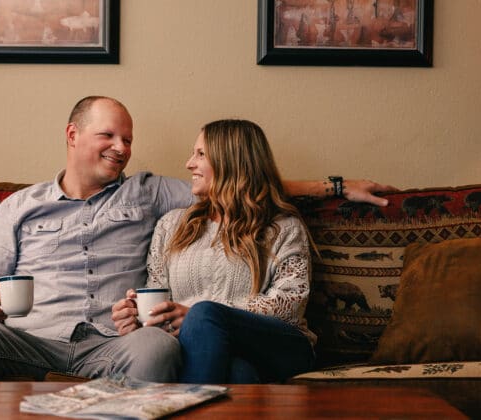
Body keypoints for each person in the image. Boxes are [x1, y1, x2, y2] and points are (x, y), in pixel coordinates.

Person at [0, 96, 395, 382]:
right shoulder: (18, 206)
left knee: (158, 348)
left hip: (113, 346)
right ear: (72, 134)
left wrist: (334, 186)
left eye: (128, 140)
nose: (121, 149)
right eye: (108, 137)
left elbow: (242, 180)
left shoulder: (149, 193)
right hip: (28, 340)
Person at [111, 120, 329, 383]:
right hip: (207, 352)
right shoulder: (171, 225)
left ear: (232, 161)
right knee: (239, 374)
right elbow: (159, 294)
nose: (189, 164)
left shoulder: (283, 228)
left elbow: (289, 306)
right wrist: (137, 318)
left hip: (280, 347)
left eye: (200, 154)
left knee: (205, 314)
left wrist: (198, 315)